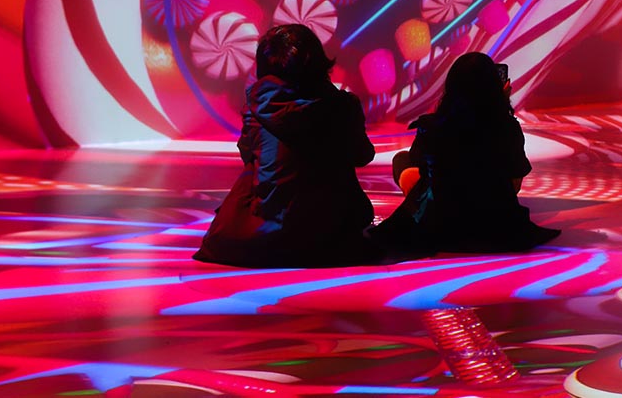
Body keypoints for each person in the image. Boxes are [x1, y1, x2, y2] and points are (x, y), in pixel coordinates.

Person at [194, 24, 377, 268]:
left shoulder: (256, 106)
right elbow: (362, 154)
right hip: (325, 235)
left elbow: (248, 154)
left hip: (254, 239)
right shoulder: (341, 105)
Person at [369, 52, 559, 256]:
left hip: (440, 222)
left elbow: (420, 166)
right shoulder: (507, 127)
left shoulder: (431, 126)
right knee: (408, 163)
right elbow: (515, 184)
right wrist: (502, 108)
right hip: (494, 224)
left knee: (404, 161)